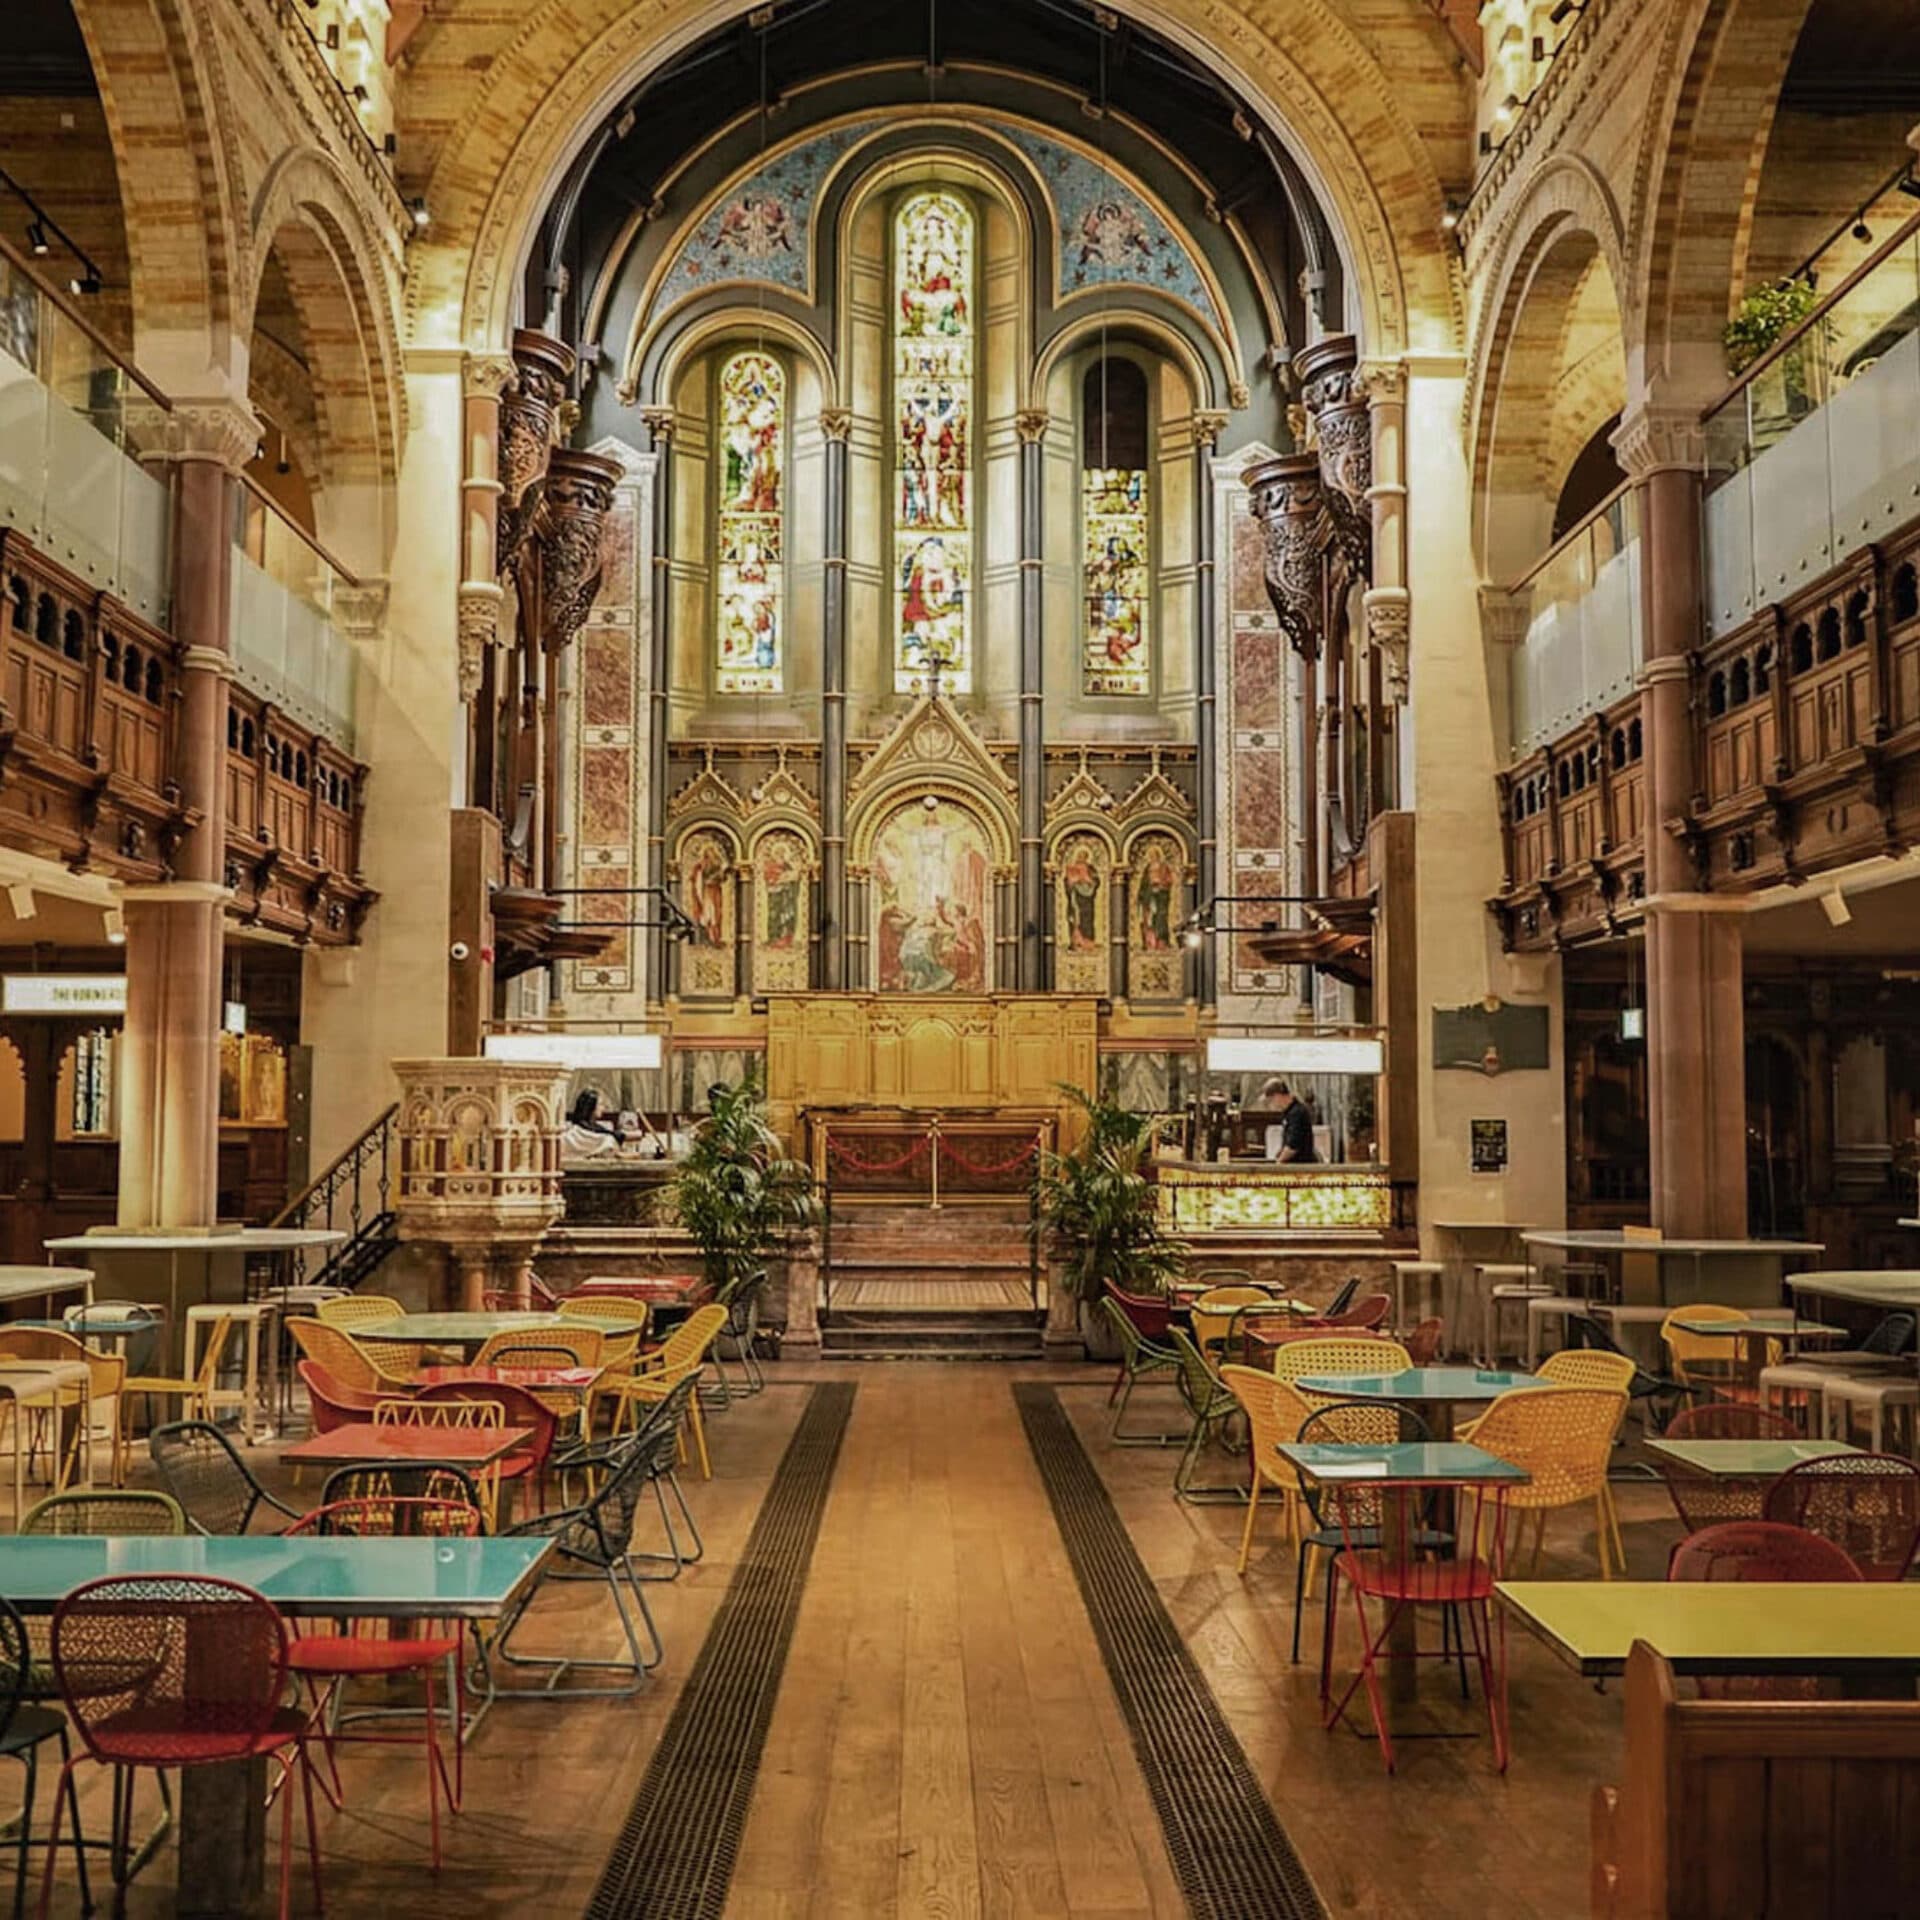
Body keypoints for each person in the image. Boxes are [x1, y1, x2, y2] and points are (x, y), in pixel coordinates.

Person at [1262, 1080, 1318, 1164]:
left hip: (1300, 1167)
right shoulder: (1288, 1113)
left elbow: (1293, 1146)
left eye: (1270, 1100)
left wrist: (1278, 1164)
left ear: (1277, 1096)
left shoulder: (1297, 1113)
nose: (1271, 1104)